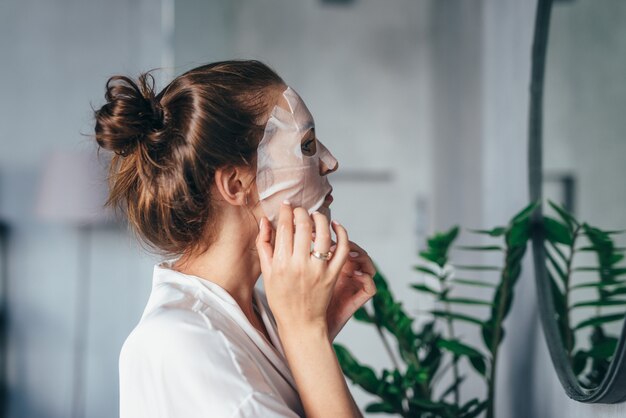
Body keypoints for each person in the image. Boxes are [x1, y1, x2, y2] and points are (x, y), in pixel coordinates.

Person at [93, 60, 377, 417]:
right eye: (306, 145)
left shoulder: (259, 312)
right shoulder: (179, 343)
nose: (329, 161)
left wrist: (310, 333)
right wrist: (306, 336)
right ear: (235, 184)